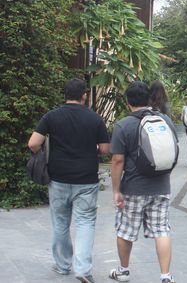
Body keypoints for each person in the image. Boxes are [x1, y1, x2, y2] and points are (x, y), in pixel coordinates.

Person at [27, 78, 110, 283]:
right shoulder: (95, 119)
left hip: (58, 179)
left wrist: (45, 152)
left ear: (65, 95)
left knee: (60, 222)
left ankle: (63, 266)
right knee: (85, 223)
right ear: (84, 95)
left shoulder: (52, 117)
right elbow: (105, 150)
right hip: (87, 180)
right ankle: (82, 269)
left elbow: (33, 144)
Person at [109, 81, 178, 283]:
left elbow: (117, 160)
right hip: (161, 186)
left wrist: (116, 190)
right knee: (162, 230)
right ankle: (165, 276)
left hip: (133, 189)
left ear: (127, 102)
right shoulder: (164, 119)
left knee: (126, 231)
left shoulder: (123, 125)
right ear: (148, 99)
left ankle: (123, 271)